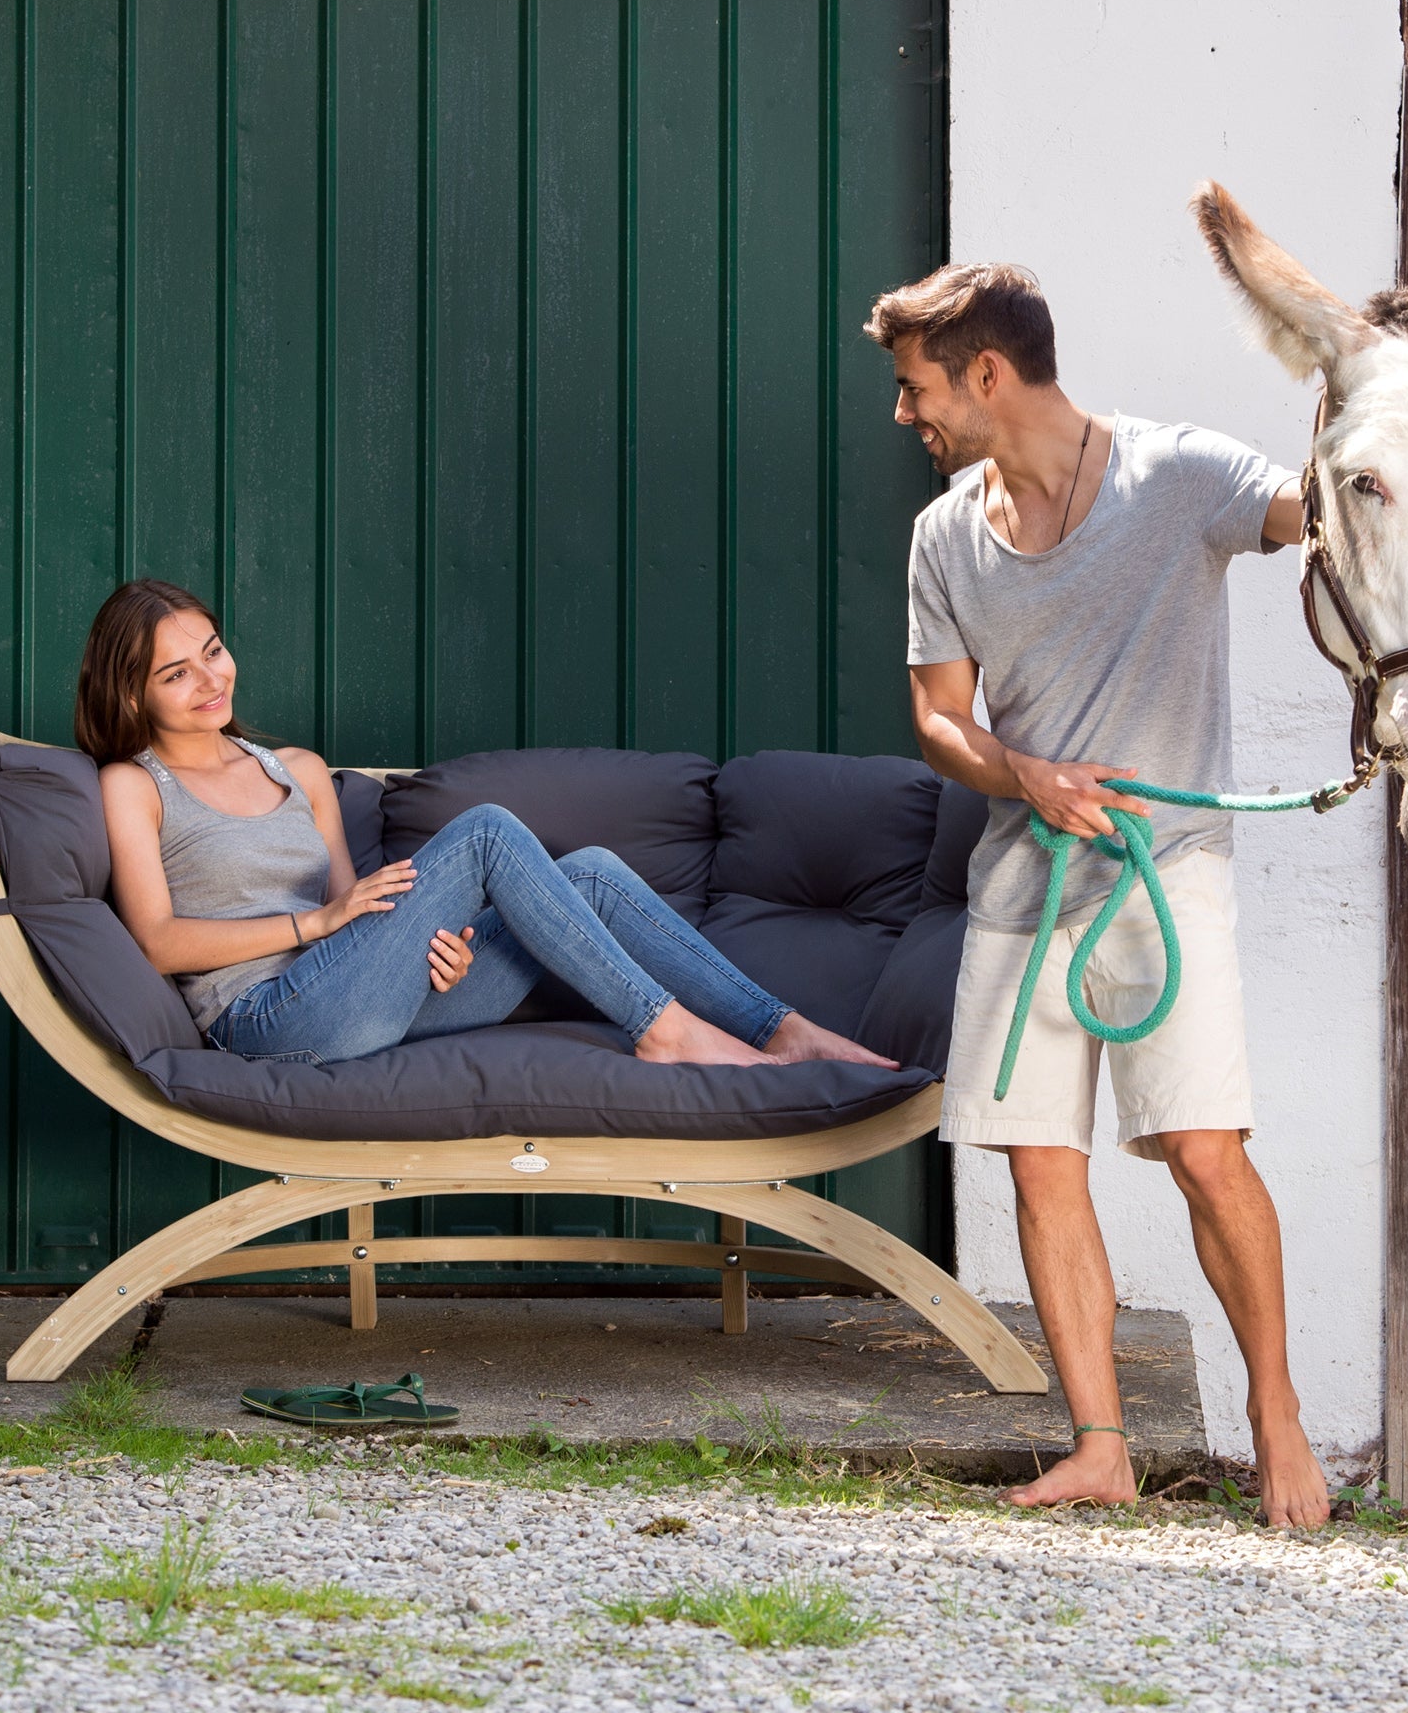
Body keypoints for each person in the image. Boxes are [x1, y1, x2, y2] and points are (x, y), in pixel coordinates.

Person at [867, 259, 1333, 1527]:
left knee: (1201, 1149)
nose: (904, 415)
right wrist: (1022, 772)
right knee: (1037, 1167)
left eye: (915, 390)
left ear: (985, 373)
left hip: (1162, 872)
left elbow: (1318, 513)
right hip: (1022, 886)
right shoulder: (946, 534)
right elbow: (937, 721)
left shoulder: (1176, 475)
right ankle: (1098, 1446)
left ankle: (1276, 1419)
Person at [77, 579, 895, 1074]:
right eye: (174, 674)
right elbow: (155, 941)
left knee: (596, 873)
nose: (208, 681)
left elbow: (355, 908)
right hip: (264, 1019)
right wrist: (317, 921)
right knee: (489, 830)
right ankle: (668, 1029)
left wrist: (438, 943)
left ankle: (785, 1032)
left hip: (352, 992)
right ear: (132, 693)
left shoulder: (298, 770)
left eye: (212, 652)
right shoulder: (134, 784)